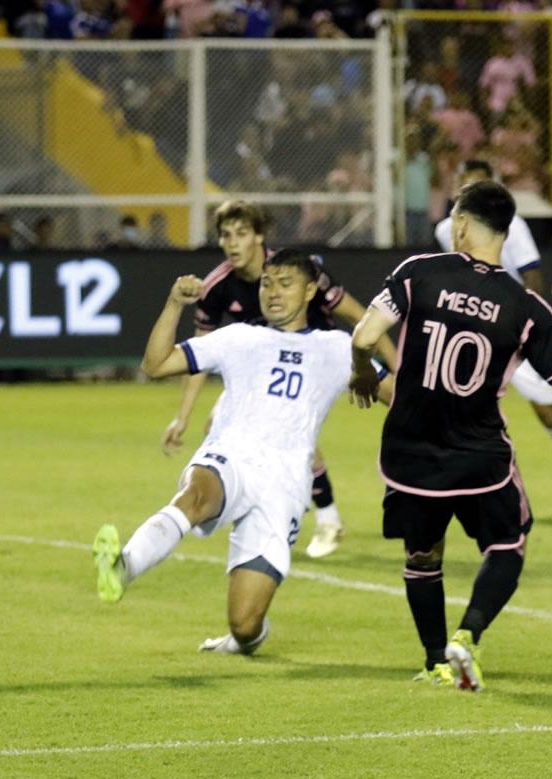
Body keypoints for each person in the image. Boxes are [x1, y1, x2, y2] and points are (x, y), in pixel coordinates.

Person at [350, 180, 552, 690]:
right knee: (509, 545)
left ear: (459, 223)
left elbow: (366, 336)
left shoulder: (419, 273)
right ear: (506, 232)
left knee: (422, 557)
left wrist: (362, 374)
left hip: (411, 453)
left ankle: (436, 660)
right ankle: (468, 633)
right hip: (478, 456)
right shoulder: (523, 304)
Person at [94, 250, 383, 654]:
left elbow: (399, 397)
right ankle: (123, 567)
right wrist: (175, 303)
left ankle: (243, 639)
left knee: (245, 625)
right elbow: (156, 364)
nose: (274, 292)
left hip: (283, 487)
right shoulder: (240, 338)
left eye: (286, 283)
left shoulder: (336, 348)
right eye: (267, 283)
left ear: (311, 290)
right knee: (196, 495)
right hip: (230, 457)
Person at [160, 200, 396, 559]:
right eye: (225, 236)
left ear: (259, 236)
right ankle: (284, 504)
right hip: (261, 366)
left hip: (315, 360)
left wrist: (397, 369)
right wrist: (182, 416)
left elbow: (360, 317)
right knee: (217, 427)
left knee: (287, 425)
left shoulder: (300, 271)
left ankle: (322, 515)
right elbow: (197, 359)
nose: (233, 243)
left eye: (241, 233)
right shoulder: (217, 286)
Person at [435, 161, 552, 515]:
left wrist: (527, 321)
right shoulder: (445, 229)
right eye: (467, 184)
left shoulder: (512, 224)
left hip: (509, 329)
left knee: (549, 410)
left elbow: (531, 275)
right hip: (471, 334)